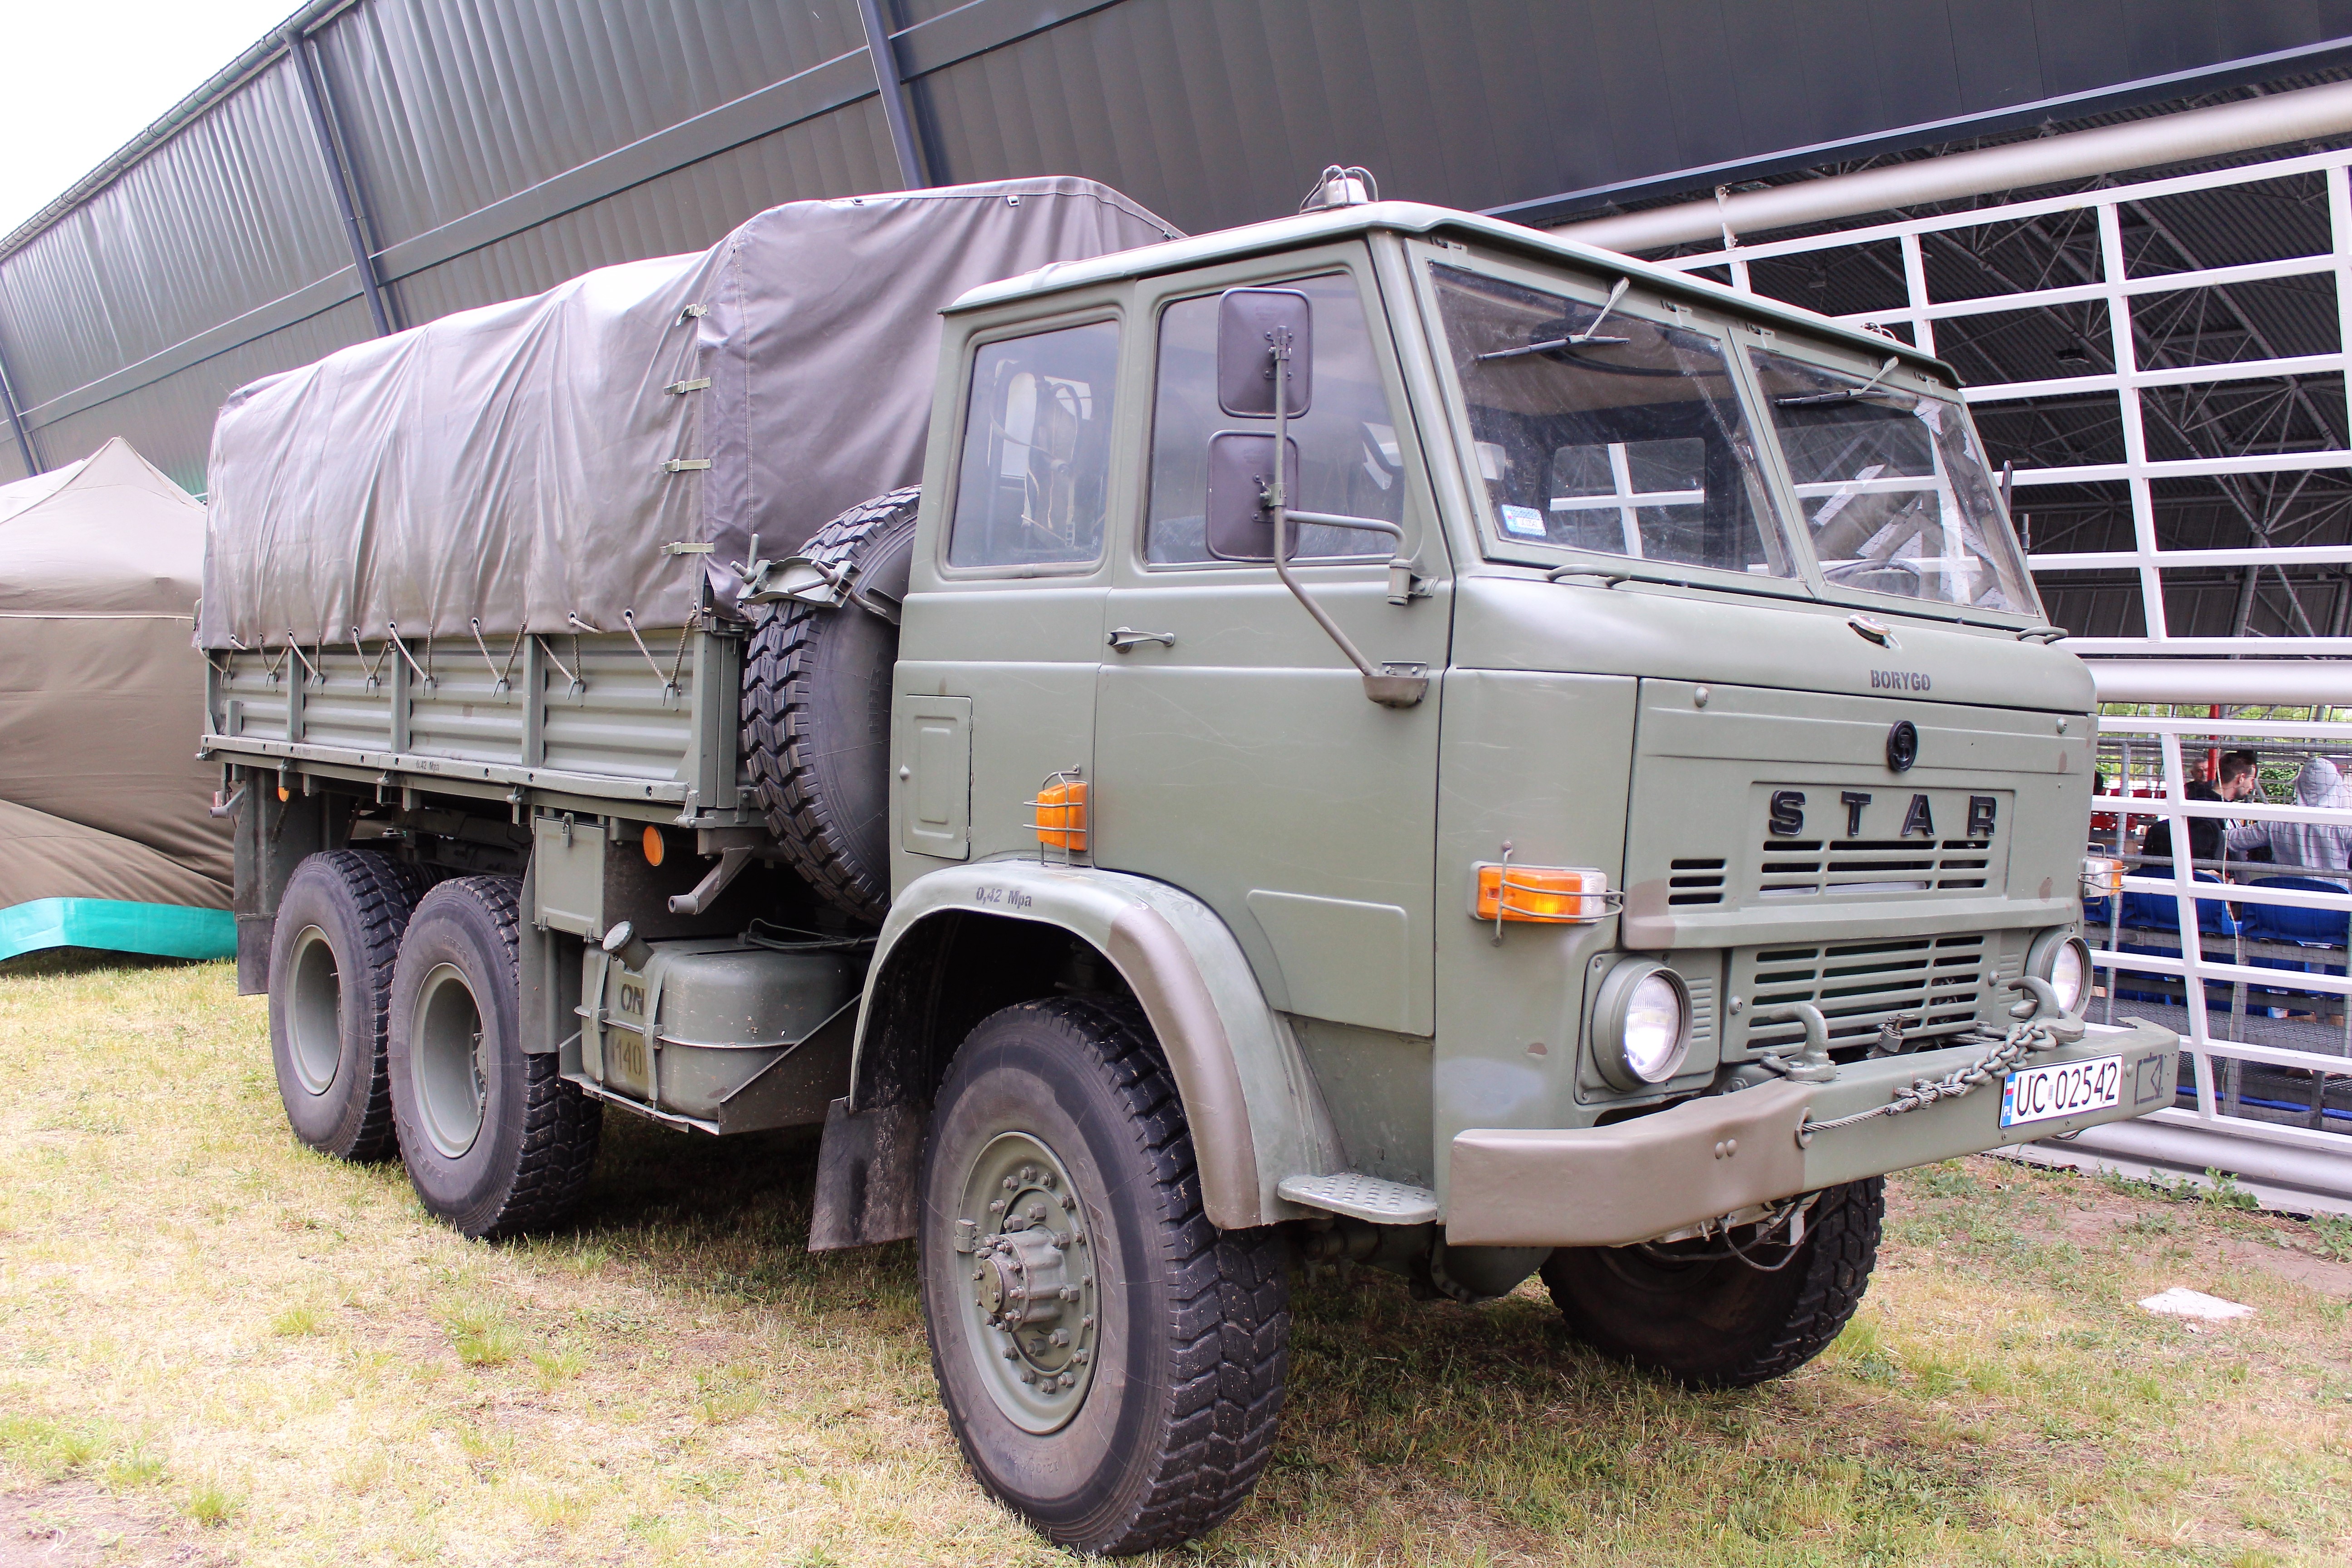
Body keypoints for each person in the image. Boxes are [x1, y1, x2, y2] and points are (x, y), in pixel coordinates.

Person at [2227, 755, 2352, 887]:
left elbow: (2231, 840)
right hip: (2332, 897)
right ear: (2335, 785)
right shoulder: (2344, 824)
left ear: (2300, 783)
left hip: (2289, 895)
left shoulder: (2278, 821)